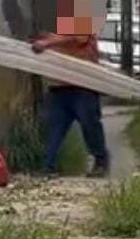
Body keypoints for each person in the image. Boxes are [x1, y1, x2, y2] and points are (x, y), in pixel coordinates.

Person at [31, 30, 110, 178]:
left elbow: (80, 37)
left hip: (83, 86)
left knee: (90, 125)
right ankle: (49, 166)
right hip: (60, 86)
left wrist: (47, 43)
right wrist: (47, 40)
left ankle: (100, 162)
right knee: (53, 127)